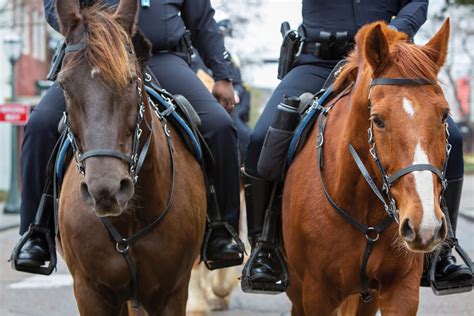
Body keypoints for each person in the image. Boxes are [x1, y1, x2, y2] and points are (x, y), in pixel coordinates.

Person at [242, 0, 471, 293]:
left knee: (450, 132)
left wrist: (393, 34)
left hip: (388, 59)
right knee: (262, 138)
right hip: (317, 61)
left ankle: (443, 252)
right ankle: (265, 247)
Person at [15, 0, 244, 272]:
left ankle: (222, 229)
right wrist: (94, 27)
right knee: (39, 125)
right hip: (94, 55)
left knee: (220, 126)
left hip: (164, 59)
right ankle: (36, 231)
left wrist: (223, 75)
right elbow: (56, 8)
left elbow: (202, 21)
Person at [191, 17, 252, 162]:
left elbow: (237, 82)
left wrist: (235, 93)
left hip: (227, 106)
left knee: (245, 136)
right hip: (201, 104)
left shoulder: (228, 58)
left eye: (223, 34)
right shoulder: (194, 54)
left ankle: (246, 175)